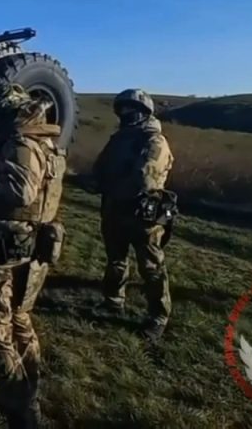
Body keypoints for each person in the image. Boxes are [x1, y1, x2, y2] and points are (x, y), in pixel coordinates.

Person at [0, 81, 66, 429]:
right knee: (21, 318)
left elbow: (19, 191)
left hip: (7, 248)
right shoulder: (49, 145)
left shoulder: (21, 144)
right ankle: (29, 389)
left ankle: (20, 401)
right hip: (32, 245)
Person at [91, 88, 174, 342]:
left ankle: (158, 316)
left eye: (132, 110)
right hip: (115, 208)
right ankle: (114, 300)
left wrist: (110, 183)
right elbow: (100, 167)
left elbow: (145, 179)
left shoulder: (154, 141)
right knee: (115, 260)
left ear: (144, 112)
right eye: (122, 110)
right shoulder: (119, 139)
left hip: (143, 215)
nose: (126, 114)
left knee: (151, 268)